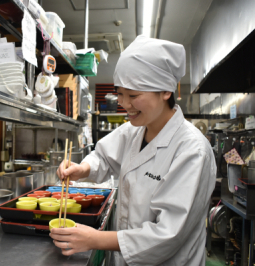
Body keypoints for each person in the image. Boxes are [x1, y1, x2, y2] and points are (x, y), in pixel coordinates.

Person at [50, 35, 216, 266]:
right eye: (120, 93)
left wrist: (96, 239)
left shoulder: (192, 150)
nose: (124, 104)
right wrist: (83, 168)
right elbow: (103, 157)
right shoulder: (134, 131)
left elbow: (168, 233)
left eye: (133, 96)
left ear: (166, 91)